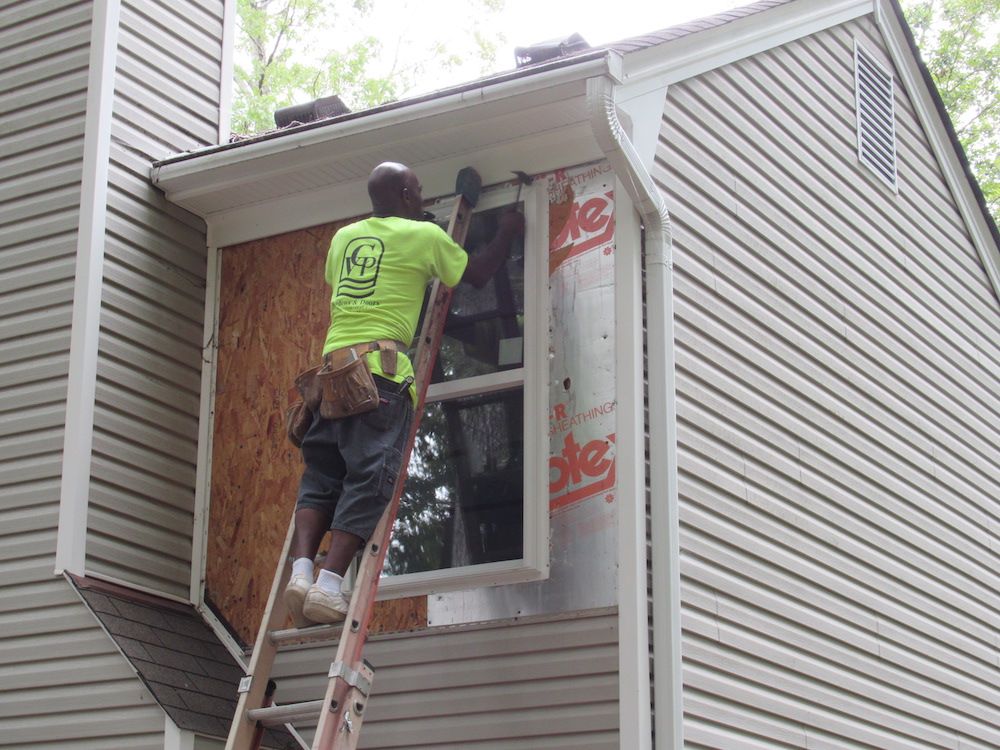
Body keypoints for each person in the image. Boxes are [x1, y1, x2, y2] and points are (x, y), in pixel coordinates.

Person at [284, 161, 525, 625]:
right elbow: (475, 275)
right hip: (379, 375)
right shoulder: (427, 239)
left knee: (321, 475)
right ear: (408, 194)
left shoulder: (343, 239)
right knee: (368, 477)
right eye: (416, 189)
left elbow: (366, 279)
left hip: (331, 375)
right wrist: (507, 232)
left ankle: (301, 572)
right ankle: (329, 585)